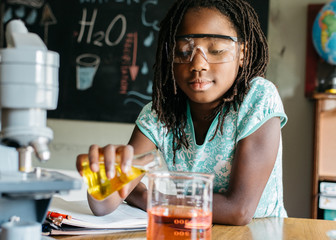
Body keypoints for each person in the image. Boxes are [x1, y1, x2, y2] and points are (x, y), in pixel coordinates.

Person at [76, 0, 287, 226]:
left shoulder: (258, 98)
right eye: (184, 51)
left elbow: (239, 210)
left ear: (243, 54)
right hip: (188, 230)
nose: (198, 64)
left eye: (215, 50)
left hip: (260, 232)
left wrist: (150, 198)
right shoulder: (160, 114)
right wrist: (102, 181)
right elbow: (105, 203)